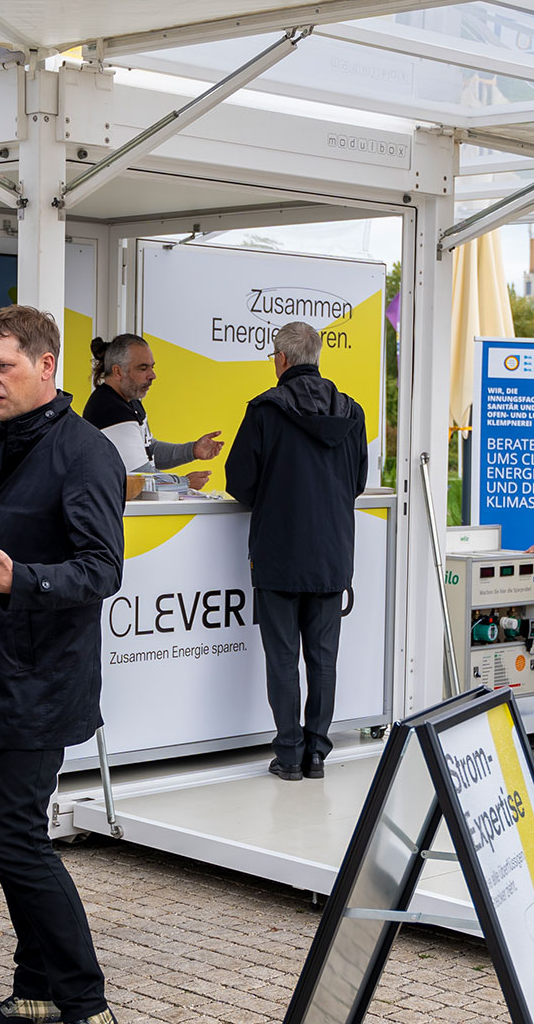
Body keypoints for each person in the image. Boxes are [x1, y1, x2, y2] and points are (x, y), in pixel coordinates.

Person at [0, 306, 126, 1024]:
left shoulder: (85, 453)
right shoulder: (13, 443)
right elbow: (9, 540)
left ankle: (84, 1003)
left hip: (41, 679)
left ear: (47, 366)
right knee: (15, 834)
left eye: (1, 365)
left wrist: (21, 582)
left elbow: (102, 570)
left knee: (15, 837)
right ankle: (37, 993)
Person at [224, 321, 369, 781]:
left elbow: (238, 482)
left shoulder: (265, 410)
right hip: (332, 554)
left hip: (278, 553)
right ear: (316, 358)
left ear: (281, 360)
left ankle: (288, 754)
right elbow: (358, 482)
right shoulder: (353, 411)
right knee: (323, 657)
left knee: (282, 657)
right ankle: (318, 753)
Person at [82, 332, 221, 486]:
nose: (152, 375)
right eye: (143, 368)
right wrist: (183, 483)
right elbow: (140, 477)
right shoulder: (109, 408)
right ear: (118, 372)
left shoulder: (130, 399)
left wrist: (192, 450)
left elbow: (150, 450)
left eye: (152, 367)